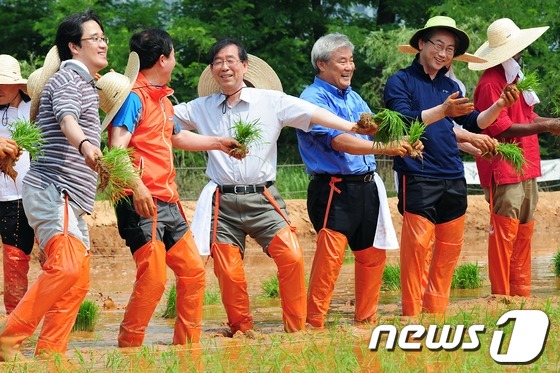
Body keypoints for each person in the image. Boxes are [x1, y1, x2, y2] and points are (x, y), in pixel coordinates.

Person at [174, 38, 378, 335]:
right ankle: (241, 330)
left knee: (292, 256)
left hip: (263, 197)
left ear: (244, 65)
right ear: (212, 70)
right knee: (228, 270)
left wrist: (351, 127)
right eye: (218, 61)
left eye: (231, 60)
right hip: (224, 202)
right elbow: (161, 117)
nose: (225, 67)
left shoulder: (271, 100)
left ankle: (296, 330)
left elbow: (312, 114)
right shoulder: (200, 108)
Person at [105, 29, 240, 347]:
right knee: (153, 278)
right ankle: (129, 349)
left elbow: (176, 137)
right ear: (163, 59)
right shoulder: (133, 98)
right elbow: (116, 147)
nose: (176, 60)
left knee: (193, 269)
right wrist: (137, 187)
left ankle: (187, 346)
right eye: (174, 54)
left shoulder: (162, 99)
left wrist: (219, 142)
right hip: (141, 200)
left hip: (169, 200)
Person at [383, 16, 518, 317]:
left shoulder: (451, 85)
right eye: (438, 46)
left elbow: (474, 122)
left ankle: (437, 314)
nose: (443, 54)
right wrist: (443, 110)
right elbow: (404, 121)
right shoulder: (400, 82)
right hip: (418, 174)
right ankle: (411, 317)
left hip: (453, 176)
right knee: (417, 250)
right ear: (421, 44)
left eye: (450, 49)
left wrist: (499, 106)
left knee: (448, 252)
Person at [0, 9, 107, 360]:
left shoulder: (86, 84)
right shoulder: (67, 80)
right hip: (53, 188)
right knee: (65, 267)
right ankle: (9, 338)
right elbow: (66, 117)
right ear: (74, 47)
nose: (103, 43)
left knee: (77, 281)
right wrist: (87, 146)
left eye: (104, 37)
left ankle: (50, 354)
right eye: (95, 38)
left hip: (72, 196)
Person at [297, 33, 415, 329]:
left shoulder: (354, 97)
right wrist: (385, 147)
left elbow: (374, 128)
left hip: (366, 186)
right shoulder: (311, 99)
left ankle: (366, 319)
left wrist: (404, 140)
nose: (349, 67)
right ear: (322, 65)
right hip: (335, 188)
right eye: (342, 61)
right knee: (330, 258)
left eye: (351, 60)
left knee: (372, 255)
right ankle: (314, 324)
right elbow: (340, 142)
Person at [468, 18, 560, 296]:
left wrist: (551, 122)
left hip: (527, 163)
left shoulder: (516, 78)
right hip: (504, 166)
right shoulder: (491, 83)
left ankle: (521, 292)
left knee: (524, 228)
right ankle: (501, 293)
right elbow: (500, 127)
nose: (522, 51)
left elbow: (527, 116)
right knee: (505, 230)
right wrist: (546, 126)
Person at [0, 55, 36, 315]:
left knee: (17, 261)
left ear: (18, 85)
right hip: (2, 197)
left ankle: (18, 327)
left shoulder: (34, 109)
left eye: (3, 83)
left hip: (26, 198)